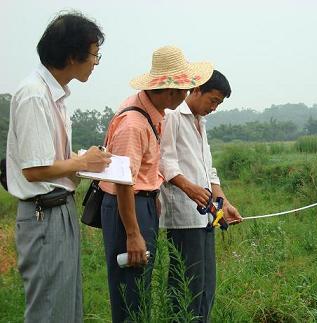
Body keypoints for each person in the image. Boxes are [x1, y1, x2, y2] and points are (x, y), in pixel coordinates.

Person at [6, 12, 111, 323]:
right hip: (44, 213)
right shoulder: (34, 95)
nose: (95, 62)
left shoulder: (57, 97)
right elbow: (34, 170)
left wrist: (84, 161)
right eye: (94, 54)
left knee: (65, 307)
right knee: (50, 311)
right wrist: (81, 162)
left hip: (59, 209)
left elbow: (52, 161)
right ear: (71, 54)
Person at [99, 45, 213, 323]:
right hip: (129, 207)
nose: (187, 95)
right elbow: (123, 182)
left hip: (143, 204)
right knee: (131, 291)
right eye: (186, 89)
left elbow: (143, 171)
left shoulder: (152, 114)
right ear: (173, 91)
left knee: (140, 284)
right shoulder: (134, 123)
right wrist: (133, 234)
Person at [159, 70, 243, 322]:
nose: (214, 108)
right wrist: (189, 188)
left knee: (206, 283)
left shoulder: (200, 121)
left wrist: (223, 203)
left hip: (206, 214)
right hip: (185, 215)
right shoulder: (172, 116)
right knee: (187, 283)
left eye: (218, 103)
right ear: (196, 90)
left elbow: (208, 170)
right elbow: (164, 162)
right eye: (213, 101)